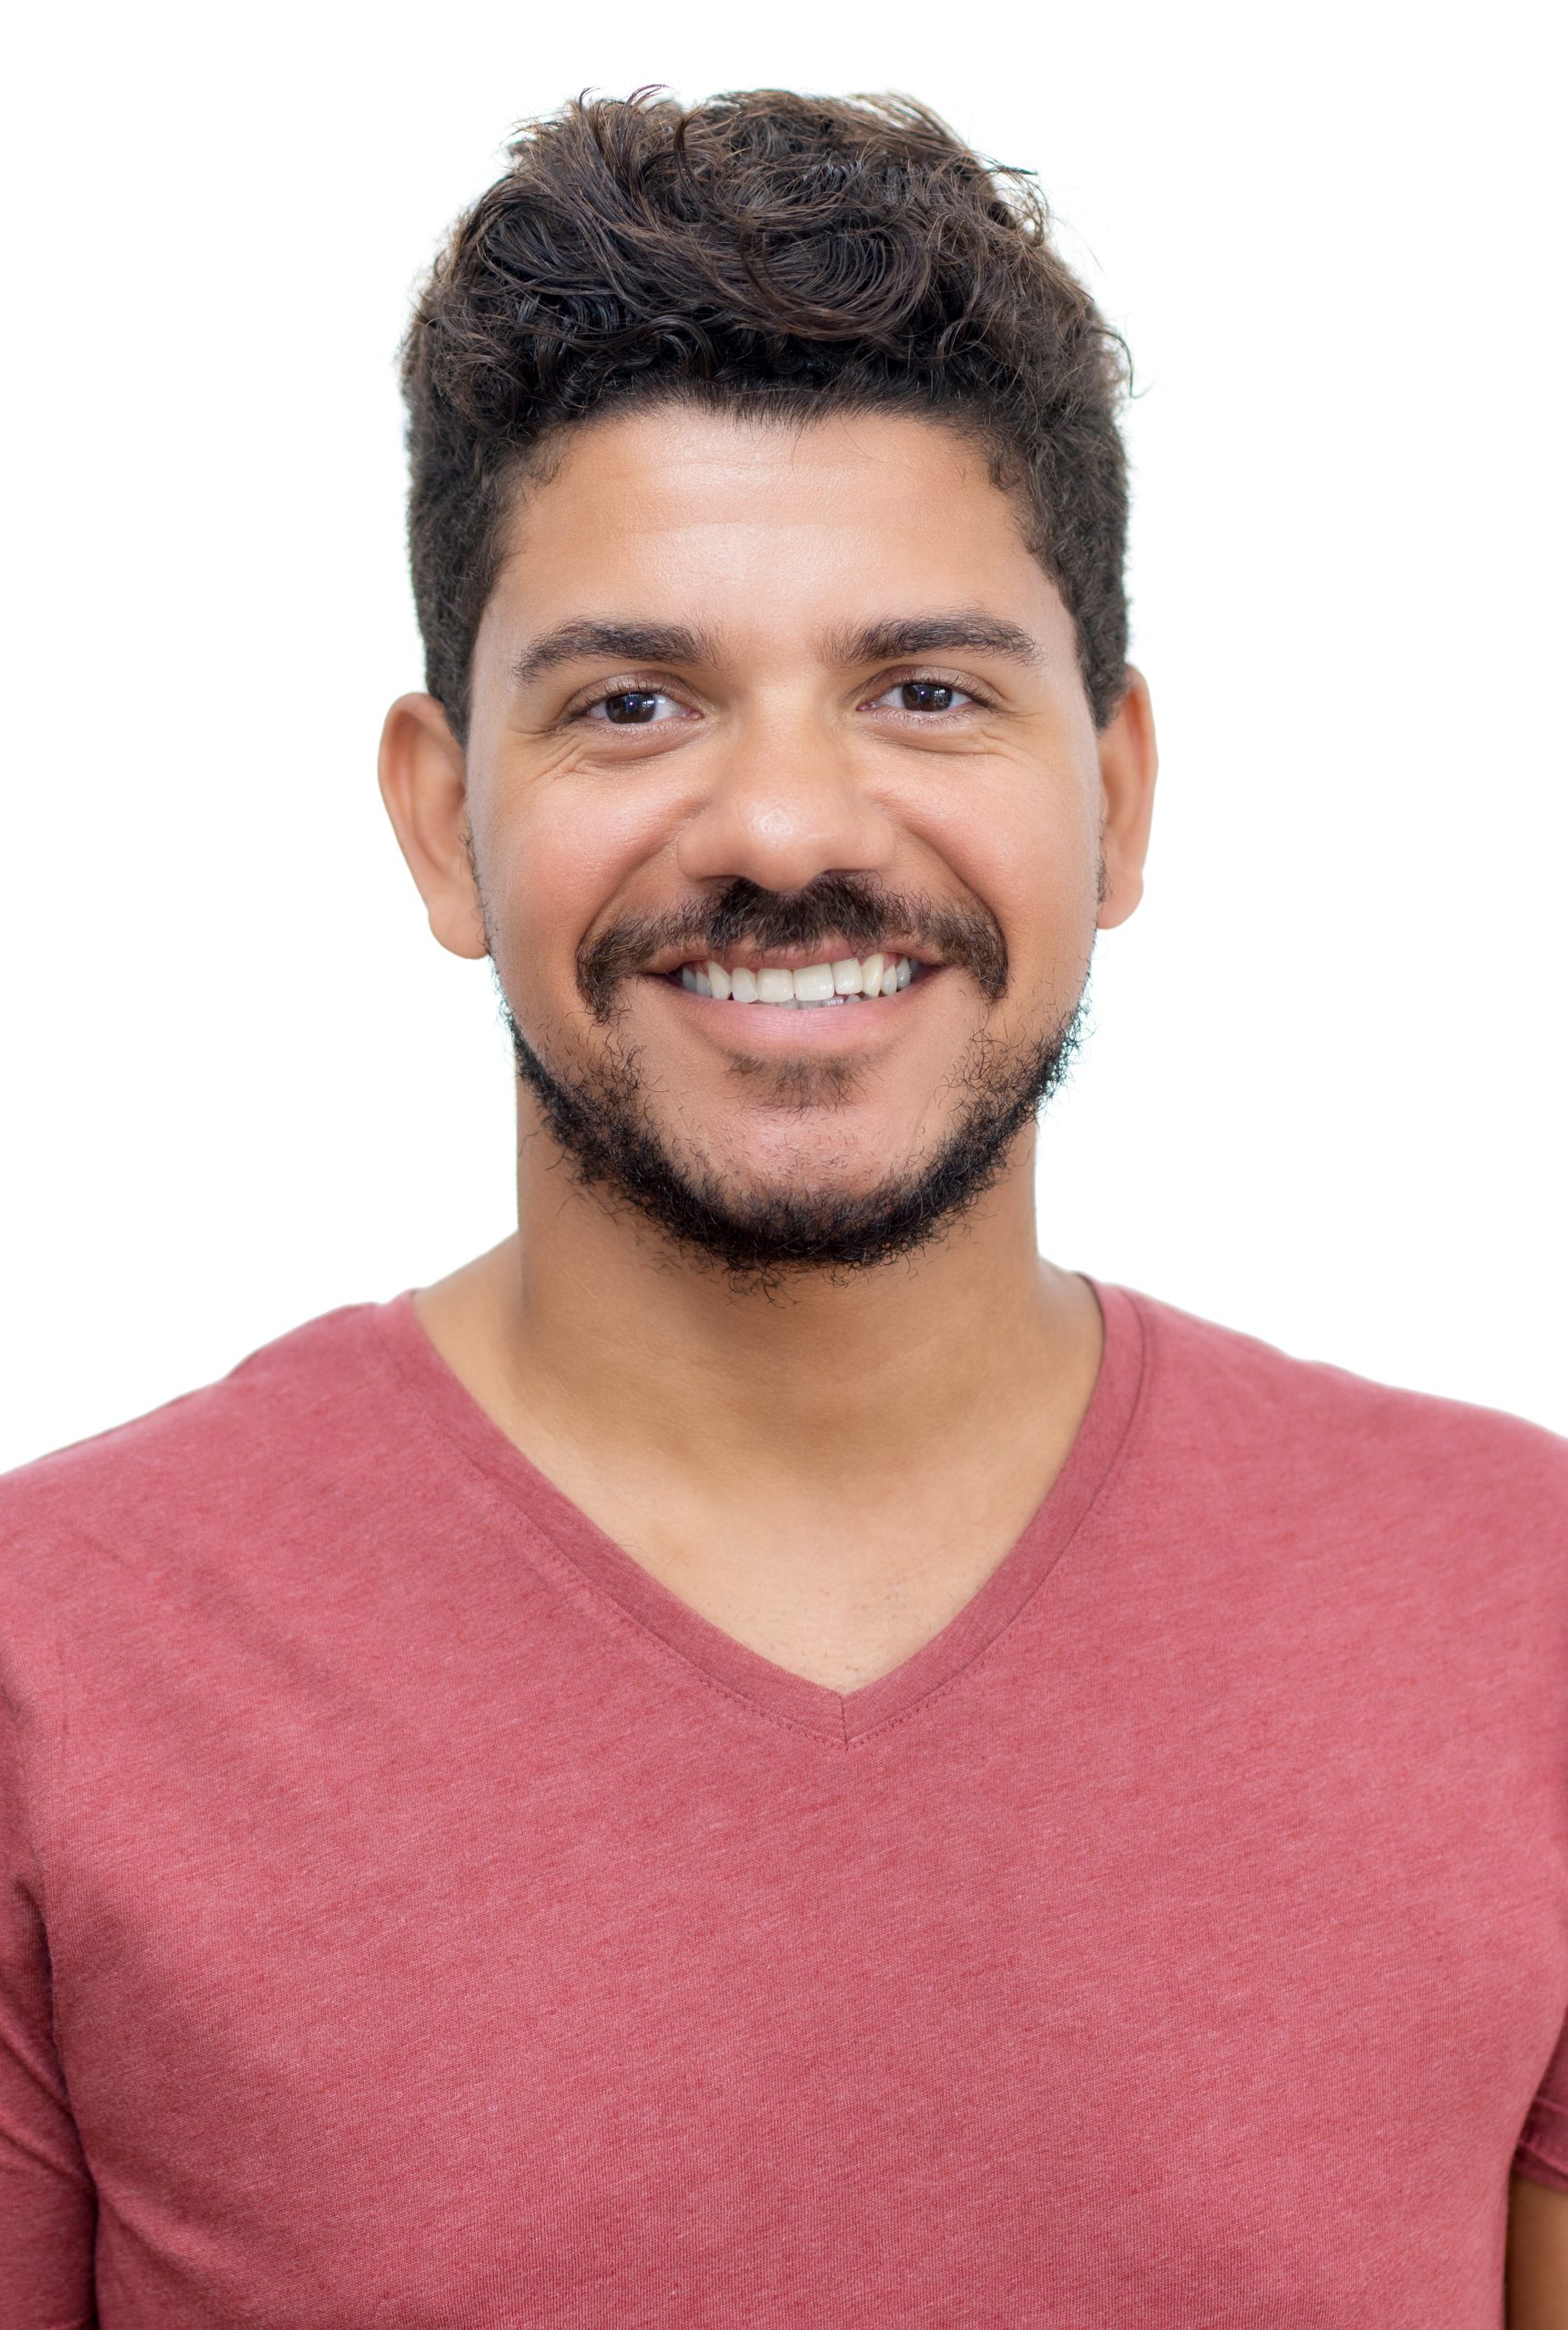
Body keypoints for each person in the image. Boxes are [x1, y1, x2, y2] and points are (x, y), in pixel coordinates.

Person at [1, 86, 1563, 2329]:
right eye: (634, 701)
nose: (784, 821)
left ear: (1110, 794)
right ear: (446, 824)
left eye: (923, 690)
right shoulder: (55, 1657)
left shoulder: (1523, 1611)